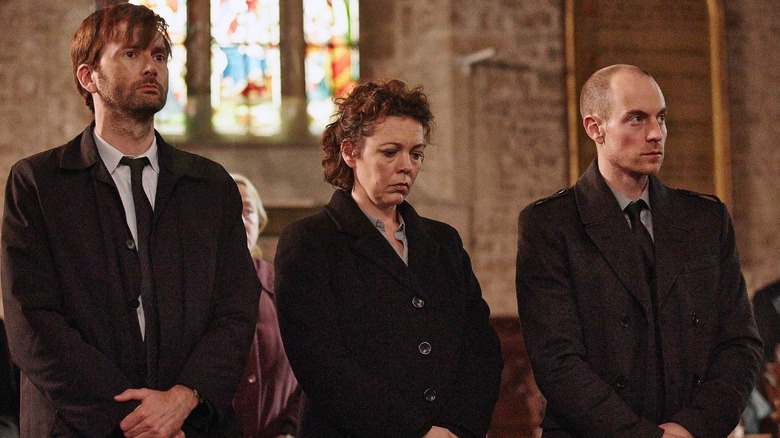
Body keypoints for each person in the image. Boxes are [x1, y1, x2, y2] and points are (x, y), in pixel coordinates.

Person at [0, 4, 259, 436]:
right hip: (79, 427)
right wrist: (138, 422)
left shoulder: (210, 185)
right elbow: (33, 321)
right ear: (88, 76)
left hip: (192, 425)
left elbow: (236, 309)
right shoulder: (40, 184)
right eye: (132, 54)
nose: (151, 67)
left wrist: (183, 399)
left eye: (159, 56)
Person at [515, 64, 762, 438]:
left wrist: (691, 427)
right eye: (636, 119)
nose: (655, 133)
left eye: (661, 118)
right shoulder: (551, 225)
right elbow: (558, 361)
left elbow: (739, 344)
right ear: (594, 128)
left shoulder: (705, 220)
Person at [273, 79, 503, 438]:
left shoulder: (442, 241)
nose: (407, 166)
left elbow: (480, 347)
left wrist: (459, 428)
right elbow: (322, 364)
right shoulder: (310, 242)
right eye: (390, 152)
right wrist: (417, 432)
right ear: (350, 152)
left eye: (416, 153)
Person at [230, 174, 301, 438]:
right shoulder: (189, 289)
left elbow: (314, 368)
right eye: (229, 210)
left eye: (247, 210)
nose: (239, 219)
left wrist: (291, 429)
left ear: (259, 222)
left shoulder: (286, 287)